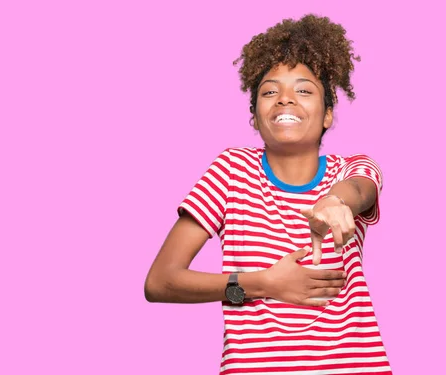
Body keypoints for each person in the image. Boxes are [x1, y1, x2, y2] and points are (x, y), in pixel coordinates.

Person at [144, 14, 392, 375]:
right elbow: (160, 281)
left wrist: (336, 202)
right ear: (255, 117)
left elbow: (361, 189)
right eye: (269, 91)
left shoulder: (350, 168)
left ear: (327, 115)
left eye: (304, 90)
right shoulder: (231, 170)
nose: (285, 100)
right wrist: (260, 284)